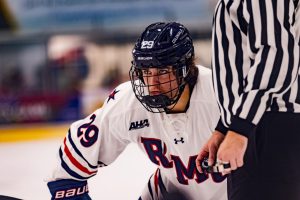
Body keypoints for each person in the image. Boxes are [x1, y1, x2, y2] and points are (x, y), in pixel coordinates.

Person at [46, 22, 227, 200]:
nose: (152, 84)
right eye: (146, 72)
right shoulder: (128, 103)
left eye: (162, 71)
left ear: (185, 69)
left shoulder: (222, 97)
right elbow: (70, 162)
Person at [197, 1, 300, 200]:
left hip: (266, 128)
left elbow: (275, 54)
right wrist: (226, 126)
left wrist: (240, 128)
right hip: (260, 124)